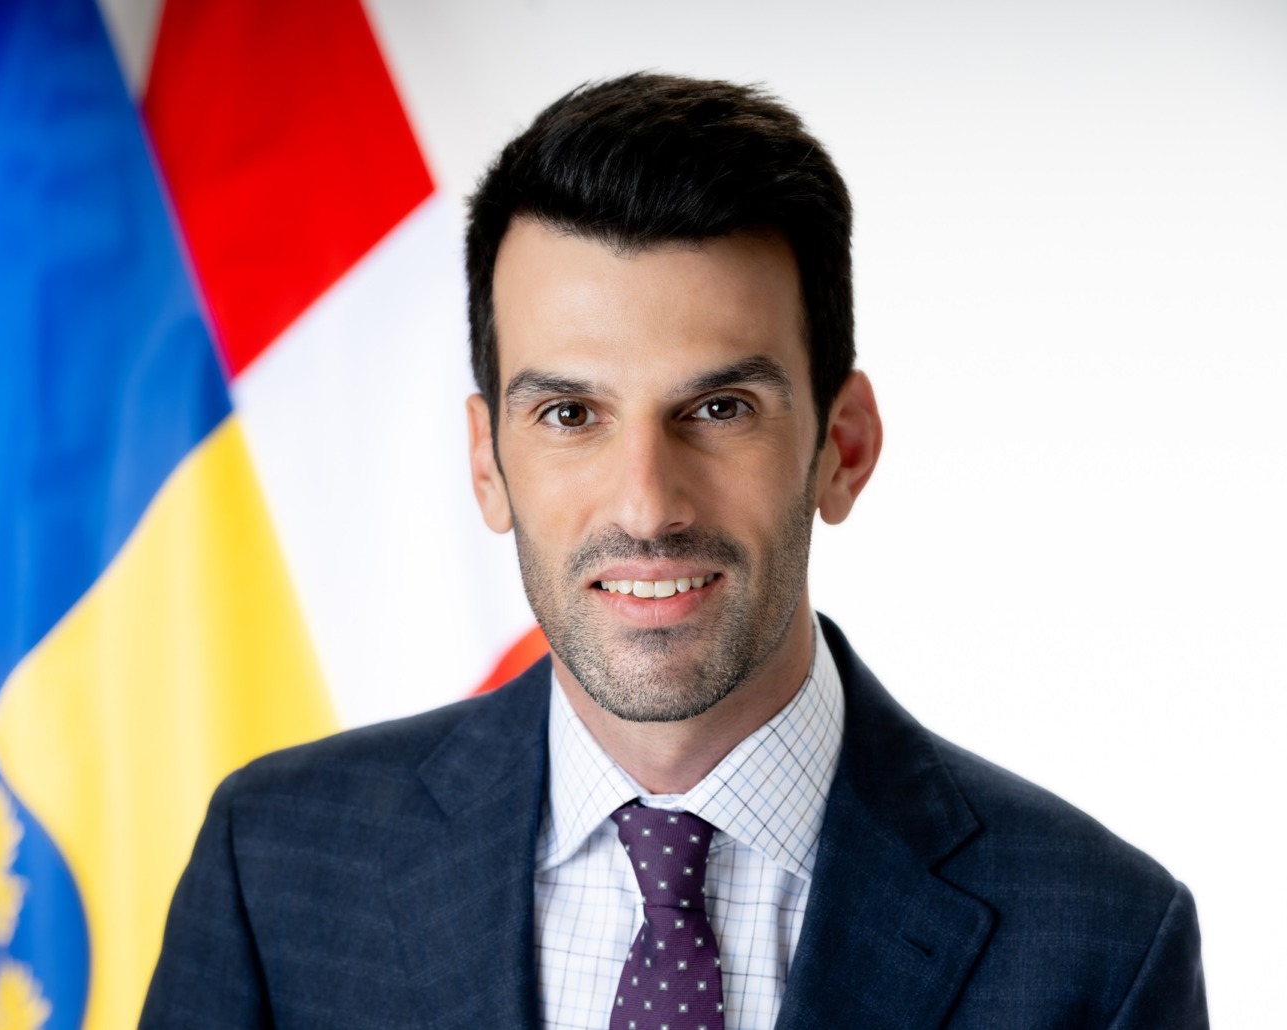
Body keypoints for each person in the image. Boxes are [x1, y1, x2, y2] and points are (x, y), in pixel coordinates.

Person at [140, 73, 1207, 1029]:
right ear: (487, 462)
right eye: (569, 415)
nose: (647, 505)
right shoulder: (274, 866)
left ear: (842, 448)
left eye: (719, 408)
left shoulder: (1101, 945)